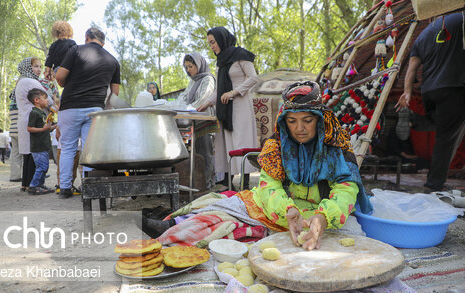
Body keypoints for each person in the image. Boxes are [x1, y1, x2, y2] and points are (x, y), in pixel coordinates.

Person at [144, 81, 372, 250]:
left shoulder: (334, 147)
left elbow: (346, 189)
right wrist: (287, 210)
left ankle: (178, 231)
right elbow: (268, 186)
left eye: (307, 120)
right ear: (284, 122)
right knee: (220, 207)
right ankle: (173, 225)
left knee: (230, 231)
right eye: (292, 121)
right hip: (279, 209)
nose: (299, 128)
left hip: (320, 216)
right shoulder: (276, 147)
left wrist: (324, 216)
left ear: (320, 120)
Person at [395, 12, 465, 192]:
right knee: (448, 135)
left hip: (429, 91)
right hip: (453, 86)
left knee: (441, 122)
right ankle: (434, 184)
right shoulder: (460, 19)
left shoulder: (424, 34)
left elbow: (412, 69)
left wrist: (407, 92)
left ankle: (413, 120)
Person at [55, 27, 120, 199]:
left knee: (68, 148)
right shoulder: (113, 60)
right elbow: (115, 93)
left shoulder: (75, 50)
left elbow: (60, 76)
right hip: (95, 110)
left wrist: (65, 84)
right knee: (89, 149)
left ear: (87, 38)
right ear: (103, 42)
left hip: (70, 107)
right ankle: (89, 187)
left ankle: (65, 188)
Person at [198, 26, 259, 190]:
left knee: (242, 141)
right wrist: (208, 102)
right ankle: (229, 183)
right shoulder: (220, 62)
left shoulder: (241, 56)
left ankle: (245, 184)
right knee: (228, 143)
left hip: (240, 105)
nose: (211, 46)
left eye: (213, 42)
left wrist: (233, 92)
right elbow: (218, 89)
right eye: (209, 44)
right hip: (225, 108)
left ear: (221, 39)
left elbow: (254, 78)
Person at [13, 57, 55, 192]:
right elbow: (47, 98)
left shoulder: (21, 81)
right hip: (33, 118)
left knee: (28, 154)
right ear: (28, 68)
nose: (39, 69)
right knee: (33, 152)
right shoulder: (29, 81)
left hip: (24, 117)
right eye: (35, 66)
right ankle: (33, 184)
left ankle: (25, 184)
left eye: (40, 66)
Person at [176, 53, 217, 189]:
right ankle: (197, 183)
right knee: (196, 152)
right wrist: (179, 106)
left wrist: (190, 108)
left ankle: (208, 184)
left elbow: (205, 97)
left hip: (204, 119)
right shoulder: (193, 81)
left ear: (199, 65)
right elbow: (184, 96)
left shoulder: (208, 79)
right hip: (192, 119)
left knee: (205, 152)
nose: (188, 70)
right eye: (186, 67)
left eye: (191, 66)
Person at [26, 88, 56, 195]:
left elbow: (47, 128)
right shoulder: (34, 113)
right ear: (36, 100)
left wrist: (55, 125)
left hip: (44, 145)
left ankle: (40, 184)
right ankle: (33, 186)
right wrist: (43, 129)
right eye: (45, 98)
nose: (47, 101)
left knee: (45, 167)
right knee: (41, 167)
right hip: (38, 146)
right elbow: (29, 128)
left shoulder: (42, 113)